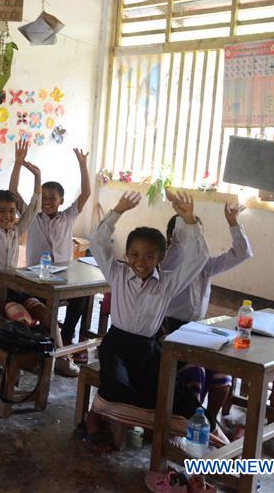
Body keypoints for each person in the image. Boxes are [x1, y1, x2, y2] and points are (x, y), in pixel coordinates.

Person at [83, 190, 215, 451]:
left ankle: (189, 431)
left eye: (149, 257)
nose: (139, 262)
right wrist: (118, 210)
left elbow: (199, 259)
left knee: (177, 396)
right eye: (133, 254)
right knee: (117, 387)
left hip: (148, 350)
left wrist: (189, 221)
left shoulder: (167, 282)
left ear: (160, 259)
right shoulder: (117, 273)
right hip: (117, 347)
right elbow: (98, 241)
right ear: (127, 254)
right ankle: (100, 422)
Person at [163, 203, 253, 421]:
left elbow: (242, 252)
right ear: (172, 238)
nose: (196, 241)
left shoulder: (206, 266)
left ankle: (209, 423)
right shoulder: (167, 263)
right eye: (189, 234)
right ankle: (187, 422)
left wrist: (232, 222)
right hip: (168, 330)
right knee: (196, 372)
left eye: (198, 235)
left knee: (222, 373)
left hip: (197, 331)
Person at [10, 141, 91, 376]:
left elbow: (86, 193)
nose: (46, 200)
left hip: (64, 275)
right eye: (43, 196)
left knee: (83, 297)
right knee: (43, 308)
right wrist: (17, 164)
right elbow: (14, 193)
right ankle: (51, 345)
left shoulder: (67, 216)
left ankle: (67, 336)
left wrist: (83, 165)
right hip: (37, 276)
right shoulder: (32, 215)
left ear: (61, 200)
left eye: (52, 197)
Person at [0, 145, 42, 315]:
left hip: (14, 284)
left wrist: (37, 177)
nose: (8, 215)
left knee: (40, 311)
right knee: (15, 316)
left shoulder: (16, 231)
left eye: (12, 211)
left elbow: (34, 207)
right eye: (1, 211)